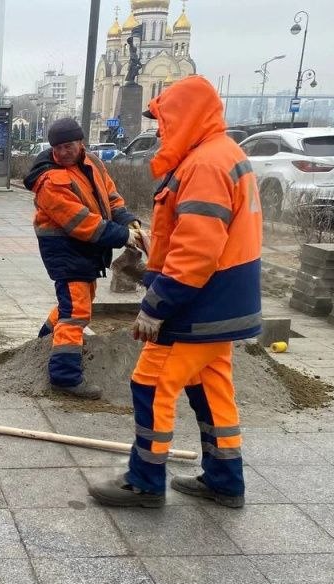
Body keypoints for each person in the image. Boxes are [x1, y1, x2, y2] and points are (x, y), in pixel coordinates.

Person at [88, 75, 263, 509]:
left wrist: (157, 304)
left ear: (186, 116)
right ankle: (225, 480)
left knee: (150, 385)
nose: (161, 131)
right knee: (212, 389)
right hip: (222, 305)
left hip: (195, 307)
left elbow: (198, 251)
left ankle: (145, 481)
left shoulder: (204, 165)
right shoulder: (224, 154)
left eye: (165, 121)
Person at [23, 117, 148, 399]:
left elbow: (110, 198)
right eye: (58, 148)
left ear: (81, 143)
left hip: (84, 249)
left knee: (75, 302)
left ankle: (43, 342)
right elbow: (80, 222)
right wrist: (123, 236)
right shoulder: (50, 180)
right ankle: (64, 376)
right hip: (65, 249)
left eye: (68, 146)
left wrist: (127, 221)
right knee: (76, 311)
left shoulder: (92, 162)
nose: (63, 152)